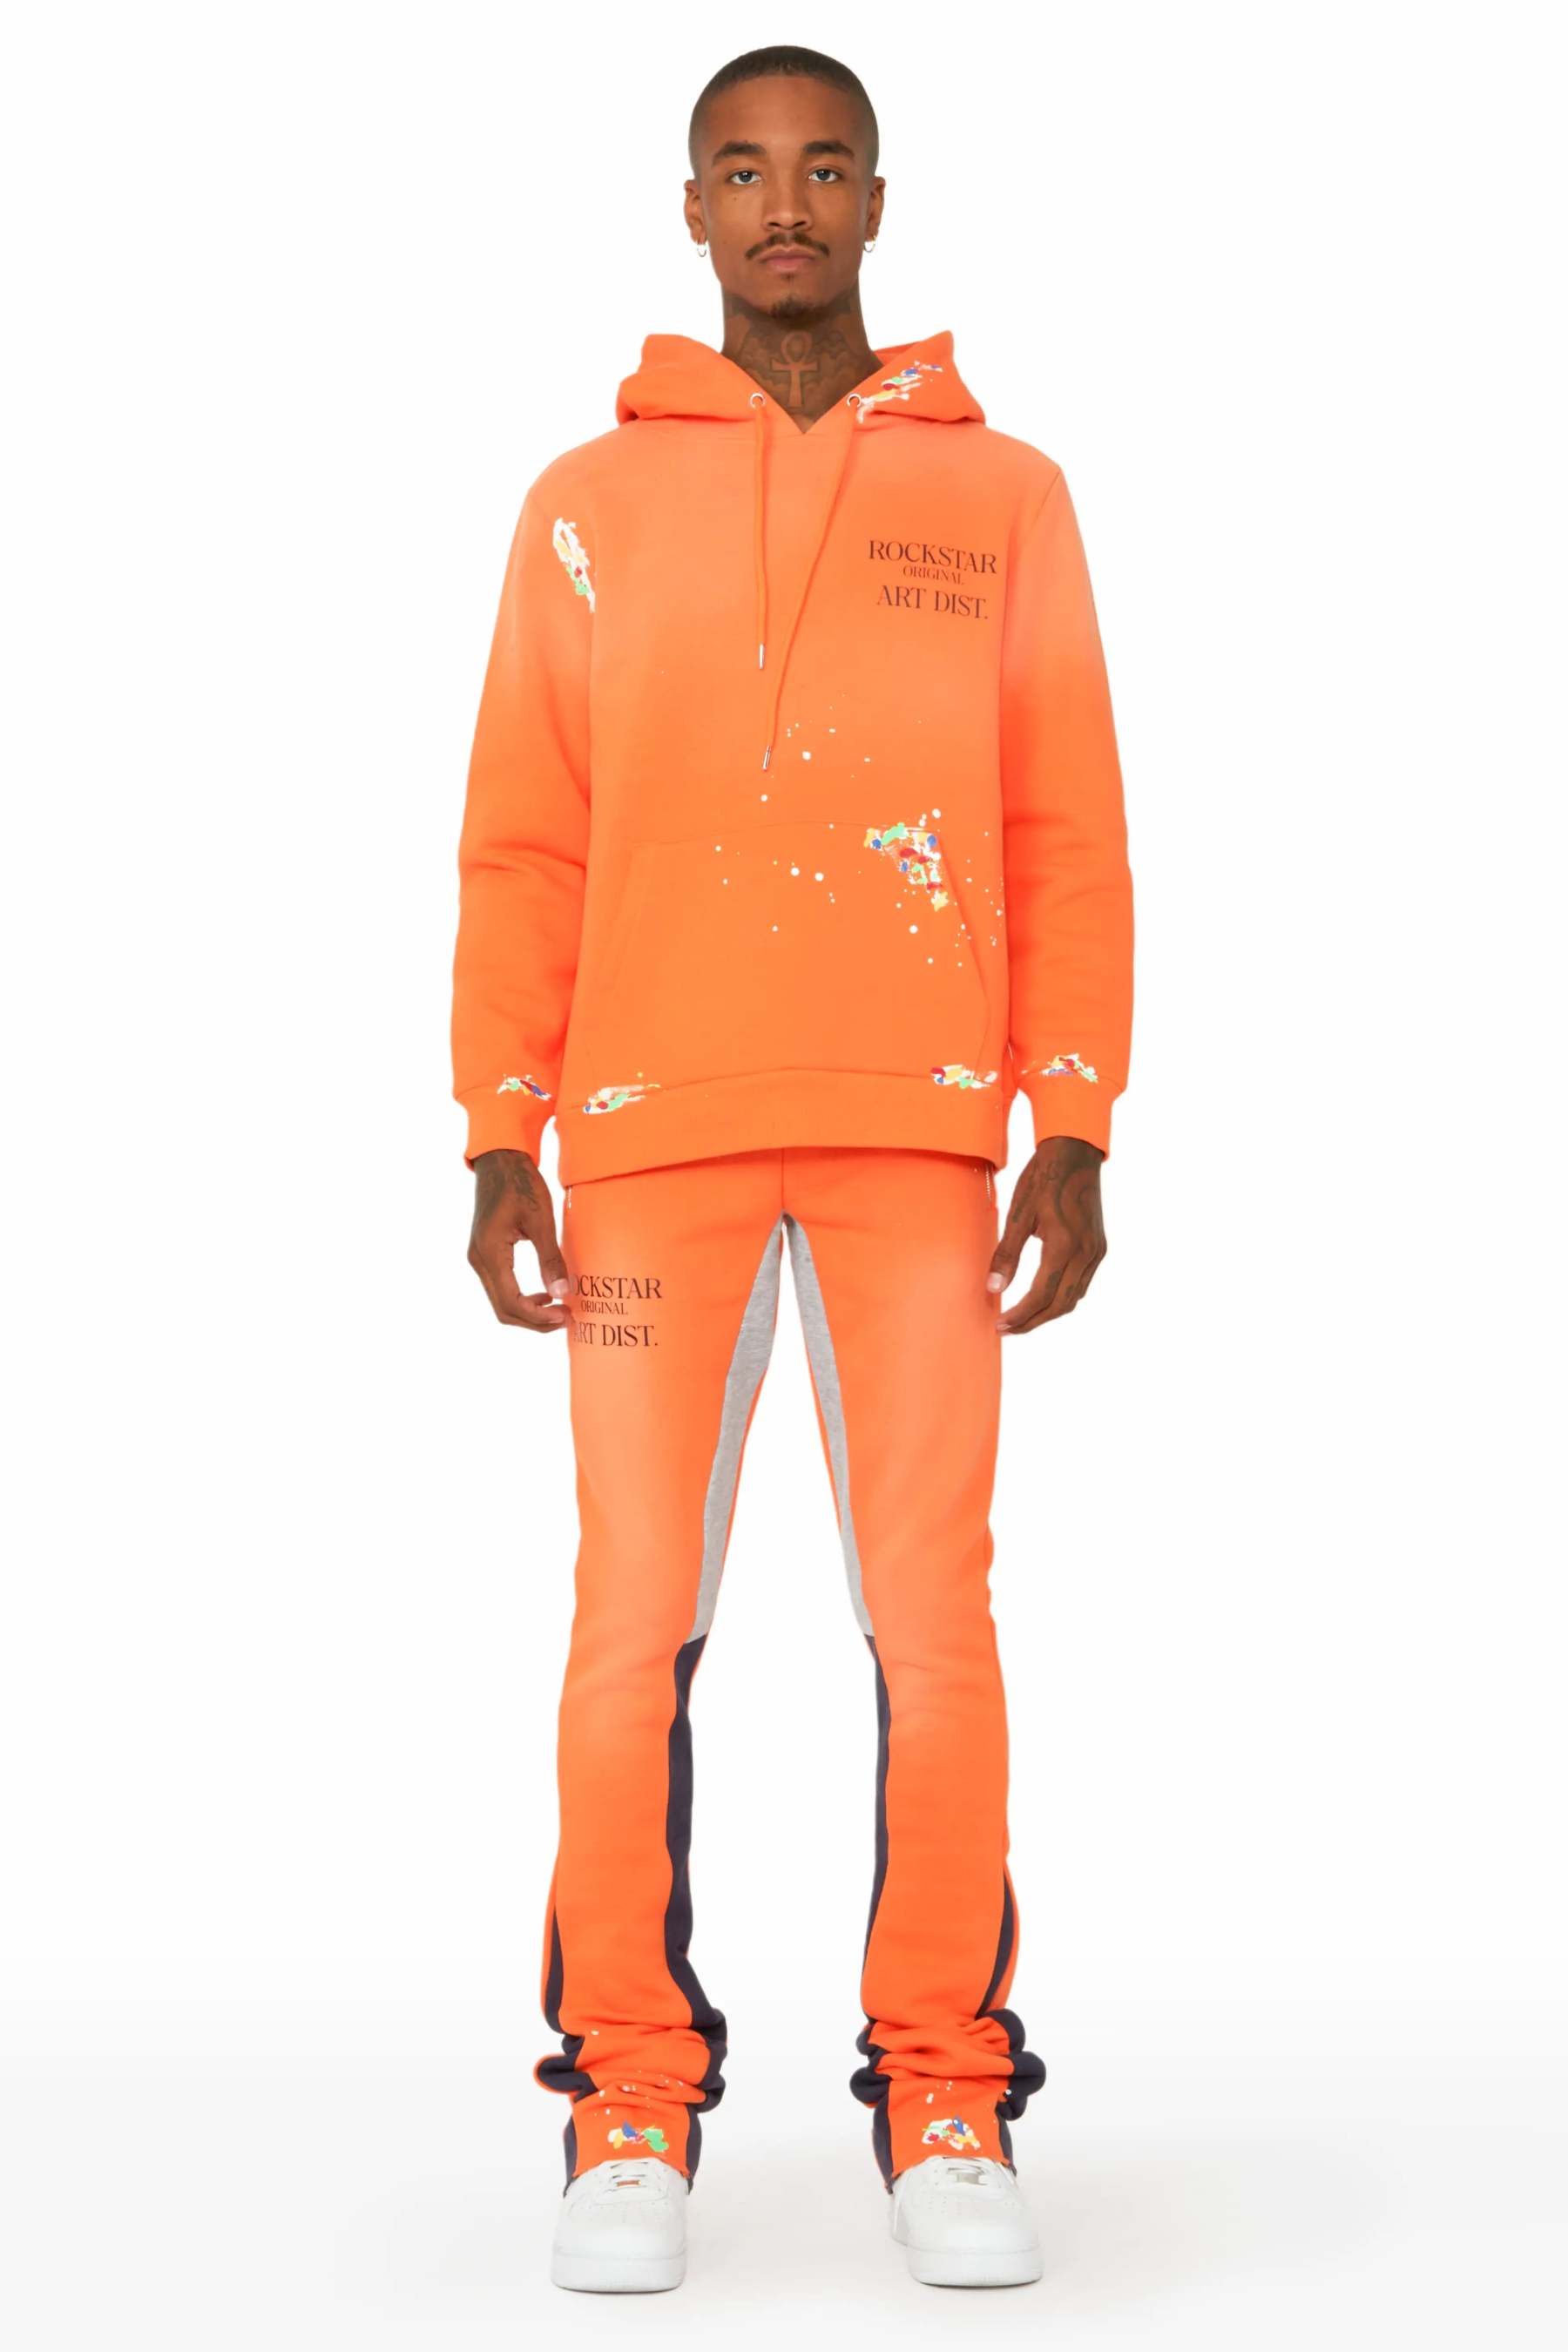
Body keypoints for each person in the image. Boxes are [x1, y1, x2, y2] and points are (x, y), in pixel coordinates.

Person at [450, 44, 1132, 2295]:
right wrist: (499, 1129)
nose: (784, 205)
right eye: (743, 169)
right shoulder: (583, 501)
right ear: (690, 208)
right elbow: (524, 836)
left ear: (876, 200)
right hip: (647, 1144)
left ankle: (946, 2086)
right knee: (628, 1624)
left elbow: (1065, 820)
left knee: (933, 1625)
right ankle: (628, 2094)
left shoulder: (1005, 494)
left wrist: (1073, 1114)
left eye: (823, 166)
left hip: (915, 1140)